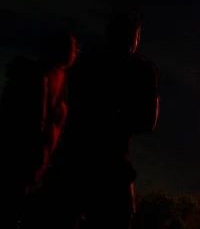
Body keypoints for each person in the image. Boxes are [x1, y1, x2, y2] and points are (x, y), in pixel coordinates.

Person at [46, 12, 159, 229]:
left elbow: (71, 109)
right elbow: (148, 122)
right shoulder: (141, 71)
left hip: (74, 159)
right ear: (134, 40)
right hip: (111, 163)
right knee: (118, 217)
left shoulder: (85, 63)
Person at [0, 31, 78, 229]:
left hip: (30, 163)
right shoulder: (41, 77)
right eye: (69, 48)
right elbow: (35, 123)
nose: (73, 53)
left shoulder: (55, 79)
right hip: (21, 160)